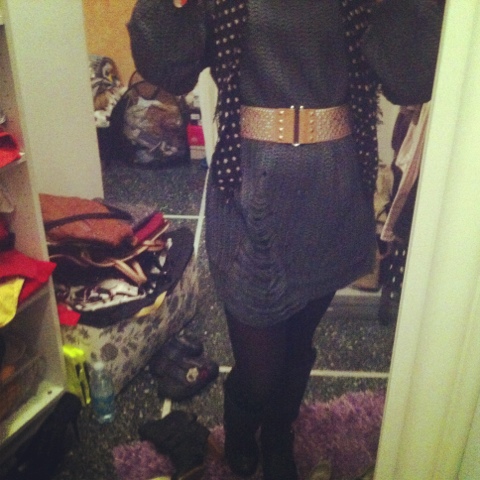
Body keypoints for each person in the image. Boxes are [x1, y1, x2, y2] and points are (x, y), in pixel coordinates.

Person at [127, 1, 443, 478]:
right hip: (250, 189)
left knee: (297, 346)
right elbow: (169, 66)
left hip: (332, 193)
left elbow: (411, 78)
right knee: (259, 364)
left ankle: (278, 433)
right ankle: (242, 424)